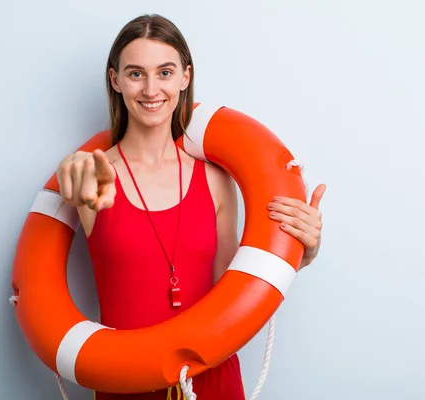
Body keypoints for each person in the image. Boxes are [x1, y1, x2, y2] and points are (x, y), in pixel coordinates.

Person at [57, 14, 326, 400]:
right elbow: (75, 179)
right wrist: (75, 176)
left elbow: (232, 286)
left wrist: (302, 253)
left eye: (164, 72)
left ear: (185, 77)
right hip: (128, 380)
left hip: (213, 377)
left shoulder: (216, 180)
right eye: (136, 74)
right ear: (115, 80)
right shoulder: (96, 176)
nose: (151, 88)